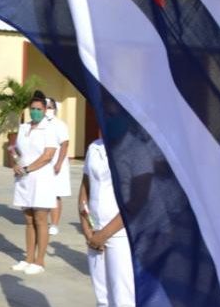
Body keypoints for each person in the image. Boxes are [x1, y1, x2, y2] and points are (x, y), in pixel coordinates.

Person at [80, 137, 135, 307]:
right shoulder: (94, 147)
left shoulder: (135, 148)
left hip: (121, 234)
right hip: (94, 231)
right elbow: (85, 188)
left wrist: (103, 235)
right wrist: (87, 228)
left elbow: (137, 200)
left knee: (123, 298)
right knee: (102, 297)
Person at [10, 90, 58, 275]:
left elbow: (48, 155)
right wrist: (15, 161)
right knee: (28, 219)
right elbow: (14, 147)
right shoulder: (23, 128)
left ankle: (40, 260)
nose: (35, 112)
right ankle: (28, 258)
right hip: (23, 178)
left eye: (39, 109)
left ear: (45, 109)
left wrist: (28, 168)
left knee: (40, 219)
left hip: (41, 178)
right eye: (32, 109)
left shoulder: (50, 128)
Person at [45, 96, 71, 236]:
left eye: (50, 107)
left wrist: (59, 163)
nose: (48, 110)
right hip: (42, 164)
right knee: (43, 193)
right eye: (46, 107)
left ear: (55, 109)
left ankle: (54, 223)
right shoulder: (39, 124)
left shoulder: (59, 124)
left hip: (56, 163)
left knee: (55, 194)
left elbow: (65, 144)